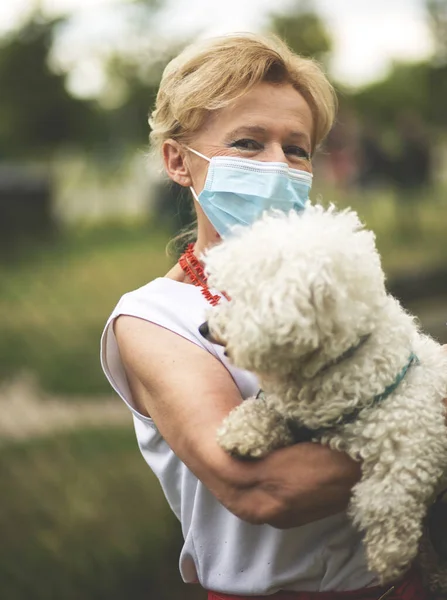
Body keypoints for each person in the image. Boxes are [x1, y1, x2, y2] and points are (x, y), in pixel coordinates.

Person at [100, 33, 430, 599]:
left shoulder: (334, 286)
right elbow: (264, 491)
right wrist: (426, 427)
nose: (278, 165)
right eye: (249, 143)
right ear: (178, 161)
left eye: (297, 148)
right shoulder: (154, 319)